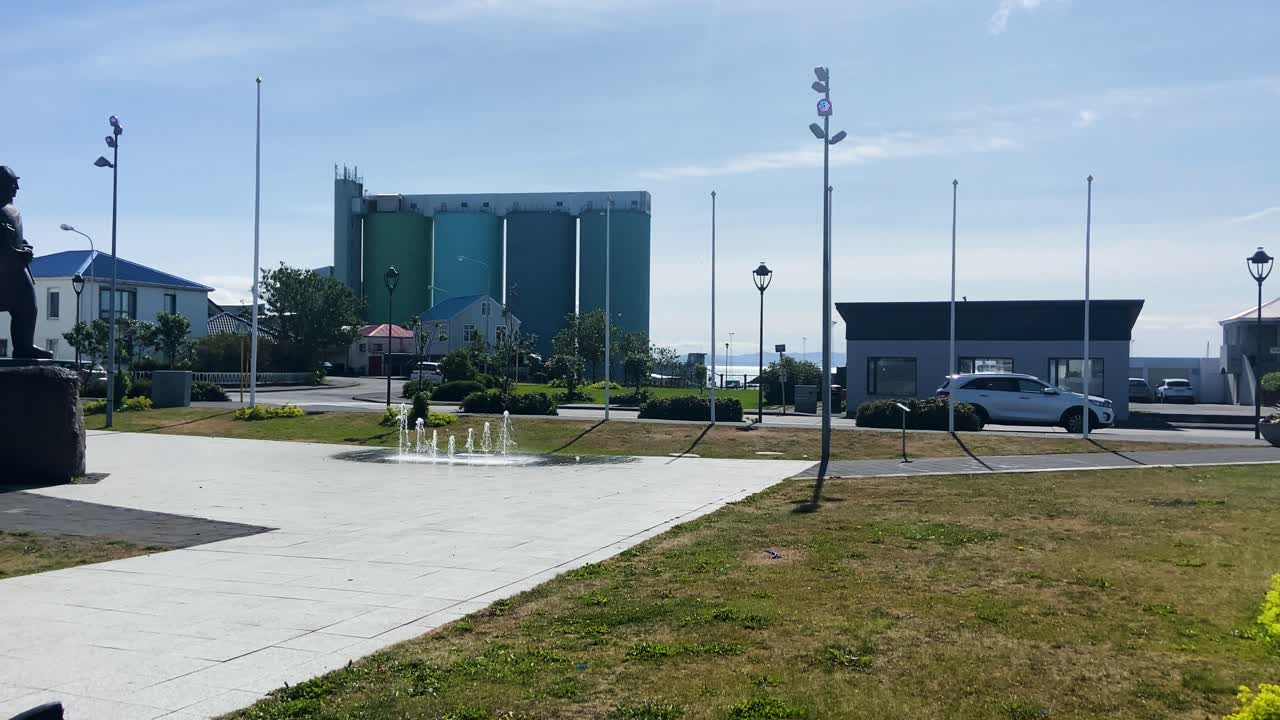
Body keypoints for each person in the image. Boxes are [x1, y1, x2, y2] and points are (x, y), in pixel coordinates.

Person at [0, 165, 52, 359]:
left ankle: (23, 347)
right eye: (11, 184)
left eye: (16, 184)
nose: (16, 188)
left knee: (27, 306)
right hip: (4, 267)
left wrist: (25, 247)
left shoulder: (13, 210)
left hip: (16, 267)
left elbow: (17, 238)